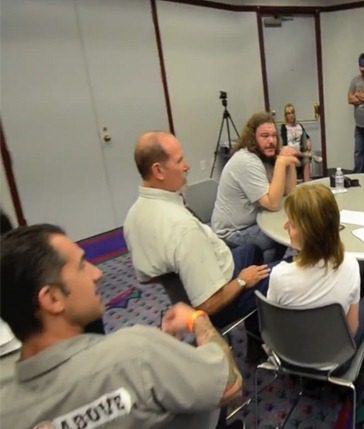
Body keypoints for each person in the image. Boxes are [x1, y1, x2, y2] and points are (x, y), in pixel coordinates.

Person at [0, 224, 243, 428]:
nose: (97, 274)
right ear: (52, 299)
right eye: (82, 265)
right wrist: (196, 320)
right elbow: (229, 384)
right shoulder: (135, 354)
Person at [124, 131, 270, 339]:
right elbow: (208, 305)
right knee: (287, 271)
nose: (187, 166)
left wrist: (180, 280)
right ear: (158, 171)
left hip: (204, 278)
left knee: (252, 251)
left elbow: (148, 276)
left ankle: (255, 337)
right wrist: (242, 281)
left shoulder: (133, 216)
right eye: (179, 161)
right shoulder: (182, 228)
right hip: (217, 303)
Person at [267, 184, 364, 349]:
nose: (285, 227)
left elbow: (274, 328)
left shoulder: (280, 276)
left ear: (309, 233)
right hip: (337, 355)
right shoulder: (350, 265)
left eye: (292, 224)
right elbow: (352, 329)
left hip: (292, 353)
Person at [212, 112, 299, 262]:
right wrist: (281, 163)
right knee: (289, 230)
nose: (271, 141)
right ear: (252, 138)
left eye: (274, 136)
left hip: (255, 220)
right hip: (233, 232)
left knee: (292, 225)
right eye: (265, 136)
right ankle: (274, 270)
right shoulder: (247, 161)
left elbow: (289, 194)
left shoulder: (266, 155)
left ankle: (276, 263)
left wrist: (289, 163)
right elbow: (273, 204)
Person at [280, 103, 313, 182]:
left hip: (300, 153)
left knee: (306, 160)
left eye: (292, 112)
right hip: (290, 153)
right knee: (295, 158)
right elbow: (284, 145)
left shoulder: (299, 126)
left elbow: (307, 137)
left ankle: (307, 183)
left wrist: (308, 141)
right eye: (288, 113)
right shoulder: (284, 127)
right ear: (286, 116)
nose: (291, 115)